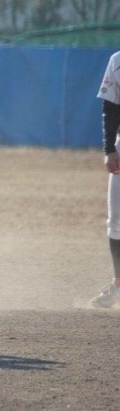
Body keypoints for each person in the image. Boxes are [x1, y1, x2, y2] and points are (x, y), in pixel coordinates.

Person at [92, 50, 120, 308]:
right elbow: (110, 107)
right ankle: (118, 286)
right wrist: (109, 149)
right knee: (117, 220)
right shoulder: (117, 60)